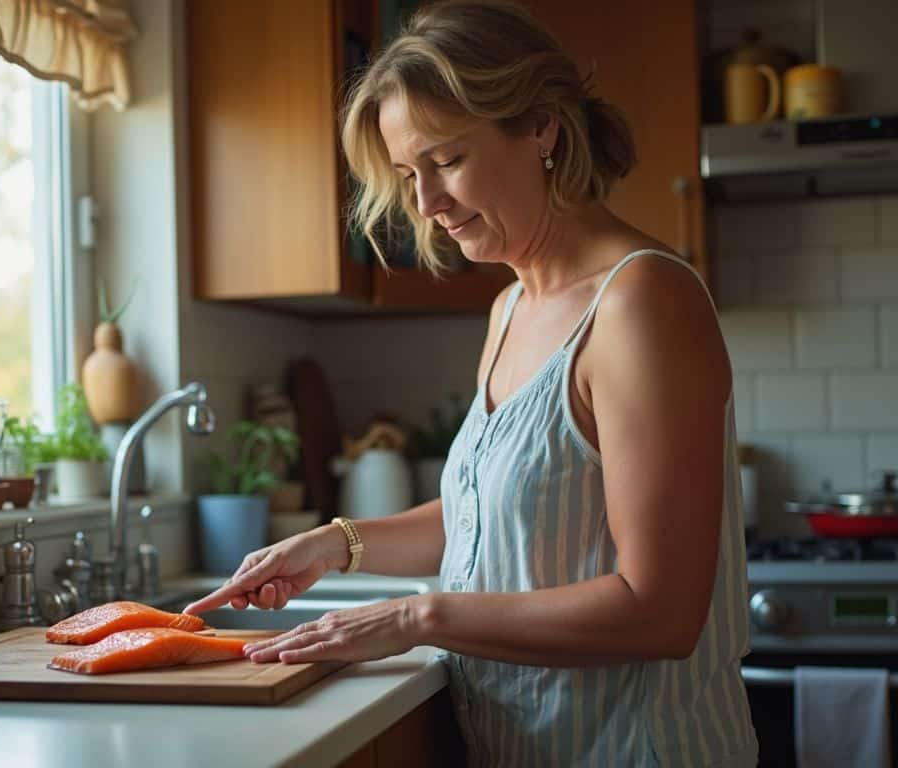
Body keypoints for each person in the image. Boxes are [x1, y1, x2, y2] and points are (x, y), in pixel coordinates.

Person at [183, 2, 758, 765]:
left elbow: (659, 612)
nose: (425, 203)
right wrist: (335, 543)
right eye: (406, 175)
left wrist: (417, 617)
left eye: (446, 161)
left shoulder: (641, 302)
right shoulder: (510, 306)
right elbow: (494, 519)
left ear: (542, 127)